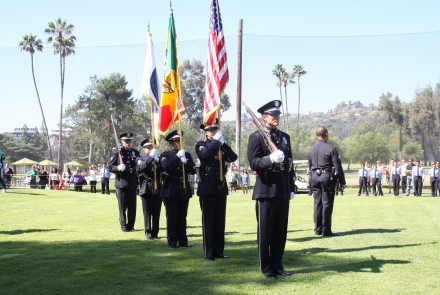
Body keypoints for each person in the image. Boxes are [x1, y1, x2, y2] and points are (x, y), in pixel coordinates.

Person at [248, 100, 295, 279]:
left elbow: (289, 164)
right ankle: (266, 267)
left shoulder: (284, 137)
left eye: (277, 114)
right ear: (264, 117)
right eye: (272, 115)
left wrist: (291, 187)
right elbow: (253, 162)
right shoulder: (256, 137)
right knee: (265, 231)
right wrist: (270, 160)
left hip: (282, 189)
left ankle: (277, 265)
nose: (276, 117)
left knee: (280, 231)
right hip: (266, 189)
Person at [196, 122, 237, 261]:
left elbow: (233, 157)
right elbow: (206, 155)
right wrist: (216, 142)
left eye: (215, 129)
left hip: (220, 186)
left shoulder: (220, 145)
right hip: (207, 185)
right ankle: (209, 253)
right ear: (205, 133)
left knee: (220, 221)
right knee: (209, 221)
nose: (213, 132)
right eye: (210, 130)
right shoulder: (201, 145)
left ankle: (219, 251)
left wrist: (223, 144)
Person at [160, 130, 196, 249]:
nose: (179, 143)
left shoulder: (187, 155)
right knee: (172, 216)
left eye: (180, 141)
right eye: (176, 141)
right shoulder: (166, 155)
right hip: (171, 188)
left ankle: (183, 240)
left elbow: (193, 170)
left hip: (184, 187)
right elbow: (167, 167)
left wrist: (186, 162)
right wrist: (177, 157)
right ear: (171, 143)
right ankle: (172, 241)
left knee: (182, 216)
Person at [308, 126, 345, 238]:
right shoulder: (331, 148)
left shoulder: (311, 149)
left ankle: (318, 229)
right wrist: (342, 181)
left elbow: (309, 166)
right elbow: (337, 167)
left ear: (317, 135)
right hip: (326, 177)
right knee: (327, 203)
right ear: (326, 134)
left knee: (317, 203)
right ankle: (326, 230)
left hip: (314, 177)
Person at [107, 132, 140, 232]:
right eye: (126, 141)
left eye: (129, 141)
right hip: (122, 183)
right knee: (122, 206)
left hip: (132, 182)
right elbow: (110, 167)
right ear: (121, 142)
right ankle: (123, 226)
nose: (128, 143)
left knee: (132, 207)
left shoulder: (135, 152)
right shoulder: (118, 153)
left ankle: (131, 226)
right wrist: (118, 168)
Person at [137, 138, 163, 241]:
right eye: (147, 148)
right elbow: (143, 166)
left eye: (151, 147)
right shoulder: (140, 159)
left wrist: (157, 159)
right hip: (146, 187)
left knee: (156, 211)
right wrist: (151, 157)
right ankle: (148, 232)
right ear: (144, 149)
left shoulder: (157, 159)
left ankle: (155, 232)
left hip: (158, 186)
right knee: (147, 211)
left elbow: (164, 168)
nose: (150, 149)